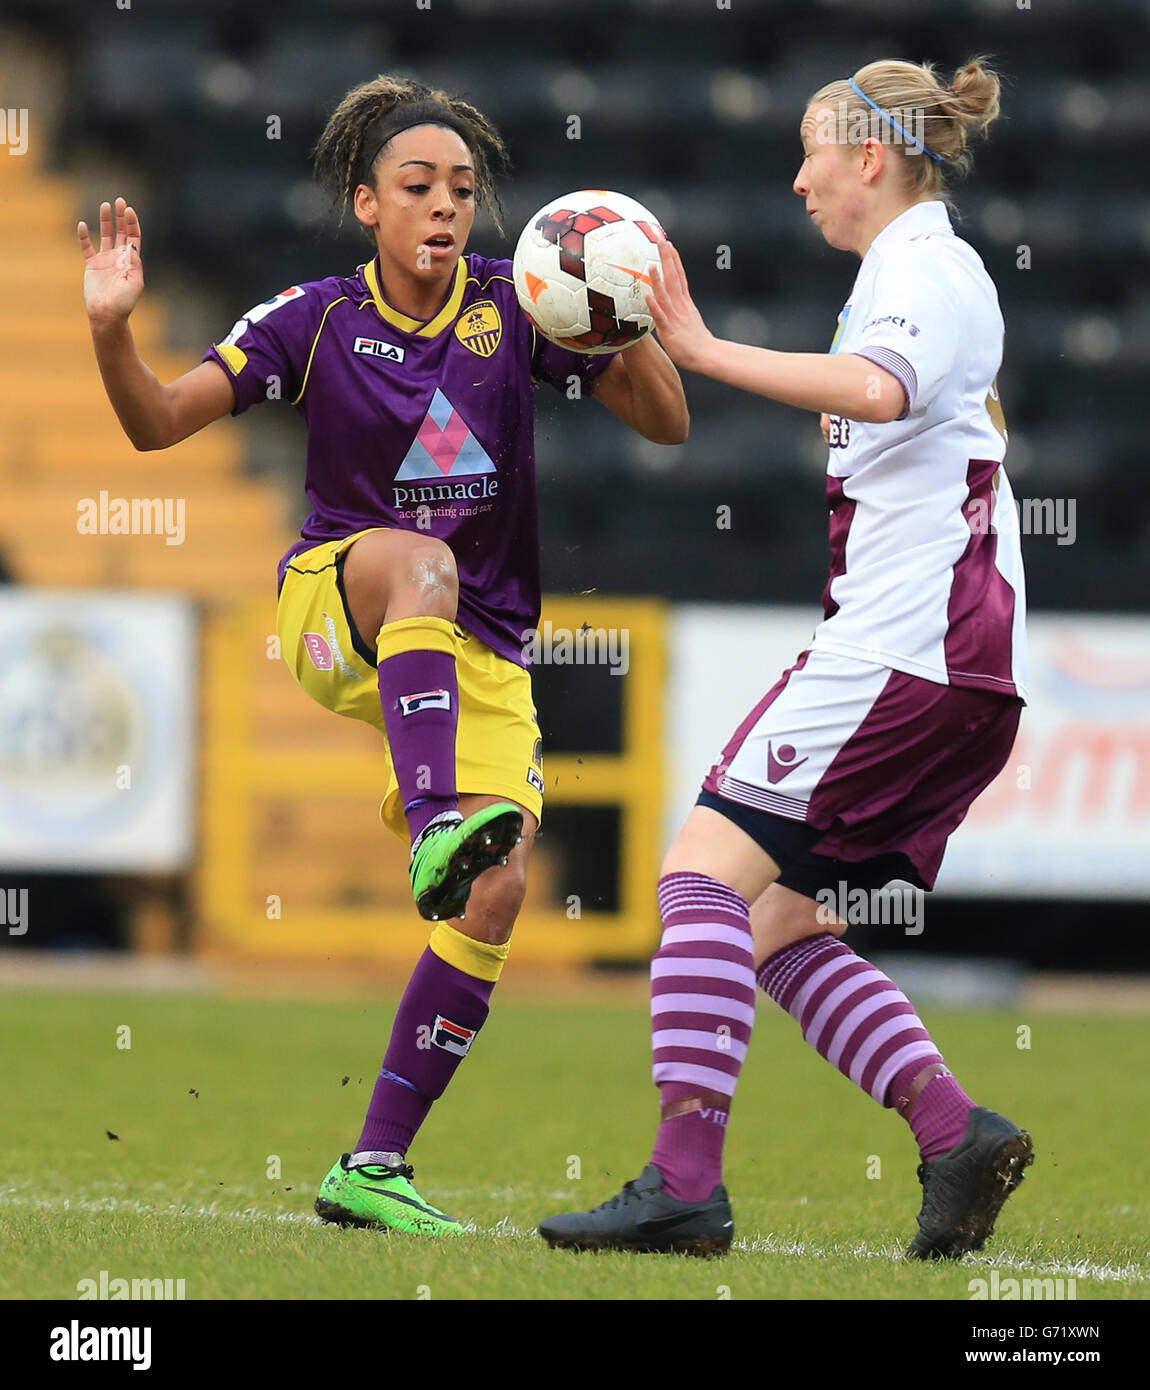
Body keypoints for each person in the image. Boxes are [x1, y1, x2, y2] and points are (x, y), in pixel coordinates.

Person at [79, 75, 688, 1236]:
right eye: (418, 186)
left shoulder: (521, 307)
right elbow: (154, 422)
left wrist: (622, 310)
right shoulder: (310, 318)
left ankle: (372, 1165)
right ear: (367, 203)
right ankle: (427, 824)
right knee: (419, 564)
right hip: (337, 607)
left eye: (463, 188)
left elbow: (666, 423)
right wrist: (111, 331)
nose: (445, 205)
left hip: (481, 652)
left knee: (499, 888)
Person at [540, 57, 1033, 1260]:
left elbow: (876, 389)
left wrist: (701, 349)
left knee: (697, 879)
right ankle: (951, 1128)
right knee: (773, 928)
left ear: (871, 155)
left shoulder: (924, 266)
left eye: (815, 149)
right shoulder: (912, 272)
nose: (798, 175)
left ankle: (682, 1187)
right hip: (956, 665)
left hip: (905, 650)